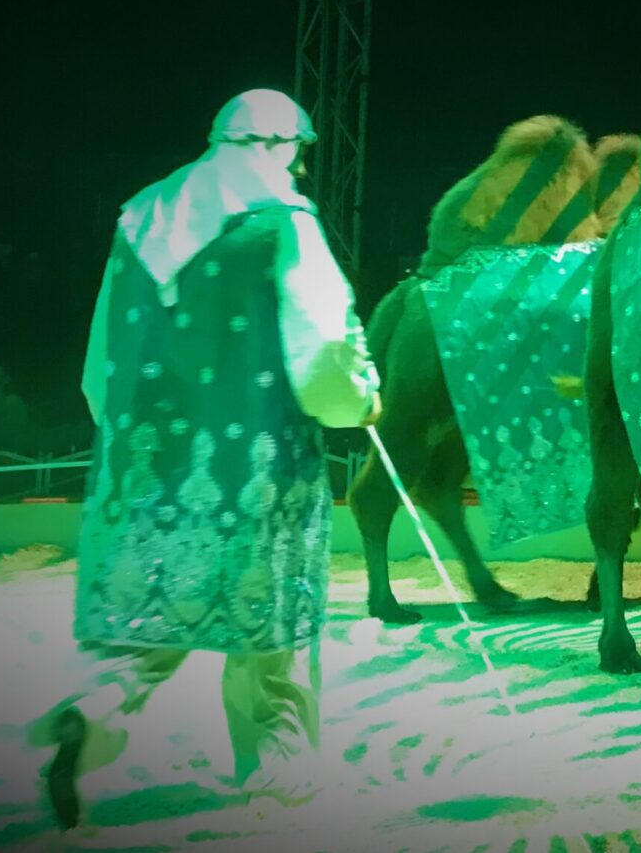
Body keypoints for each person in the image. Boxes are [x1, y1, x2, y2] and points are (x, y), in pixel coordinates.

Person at [27, 88, 382, 831]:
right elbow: (322, 346)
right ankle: (279, 785)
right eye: (299, 153)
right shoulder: (282, 219)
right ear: (279, 146)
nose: (302, 169)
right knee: (269, 632)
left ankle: (92, 712)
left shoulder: (140, 217)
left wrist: (127, 442)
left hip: (146, 471)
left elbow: (102, 358)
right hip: (256, 471)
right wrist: (358, 401)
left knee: (142, 619)